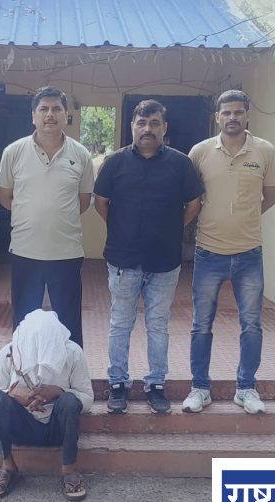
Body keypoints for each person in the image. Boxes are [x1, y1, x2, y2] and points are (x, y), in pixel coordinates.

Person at [94, 100, 203, 415]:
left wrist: (171, 229)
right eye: (141, 123)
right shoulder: (115, 163)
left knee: (158, 325)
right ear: (132, 126)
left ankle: (156, 385)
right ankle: (118, 384)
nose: (147, 129)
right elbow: (101, 202)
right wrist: (122, 229)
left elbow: (194, 204)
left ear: (164, 128)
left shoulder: (180, 164)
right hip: (123, 260)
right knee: (120, 323)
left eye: (154, 123)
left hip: (164, 262)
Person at [184, 90, 275, 415]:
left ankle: (246, 389)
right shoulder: (199, 152)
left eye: (238, 112)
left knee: (251, 325)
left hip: (249, 253)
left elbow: (270, 197)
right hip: (208, 252)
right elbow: (191, 198)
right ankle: (199, 389)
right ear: (217, 117)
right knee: (201, 324)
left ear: (247, 115)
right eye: (226, 113)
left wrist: (243, 220)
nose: (232, 118)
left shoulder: (265, 151)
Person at [0, 86, 94, 347]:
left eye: (56, 109)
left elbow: (83, 201)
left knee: (69, 324)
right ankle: (24, 371)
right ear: (33, 115)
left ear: (66, 115)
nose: (49, 114)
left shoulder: (80, 154)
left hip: (66, 253)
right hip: (25, 251)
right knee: (23, 322)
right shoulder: (14, 152)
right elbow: (5, 197)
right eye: (43, 109)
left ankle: (71, 373)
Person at [0, 309, 94, 500]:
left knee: (69, 401)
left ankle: (69, 470)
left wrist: (58, 392)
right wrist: (12, 393)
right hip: (22, 427)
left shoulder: (73, 352)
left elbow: (87, 398)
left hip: (57, 429)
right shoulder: (9, 352)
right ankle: (8, 468)